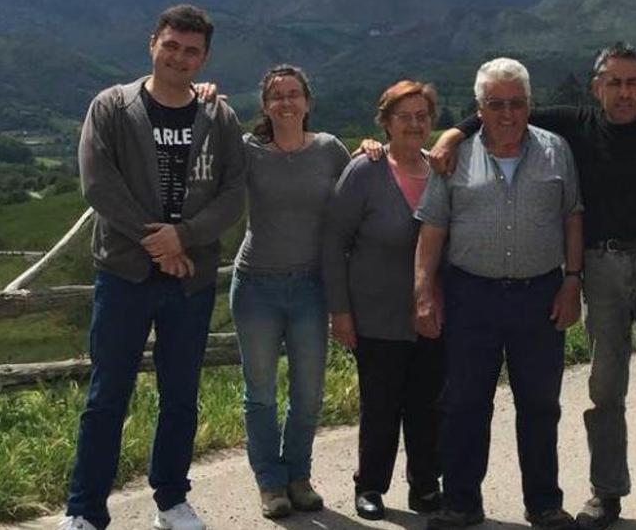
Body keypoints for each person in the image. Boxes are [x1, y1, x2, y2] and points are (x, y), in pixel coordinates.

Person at [420, 42, 636, 530]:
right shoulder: (575, 125)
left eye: (633, 83)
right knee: (603, 388)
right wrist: (455, 133)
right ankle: (605, 494)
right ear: (597, 87)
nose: (623, 92)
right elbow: (502, 109)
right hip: (600, 267)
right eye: (614, 82)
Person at [62, 4, 246, 530]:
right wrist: (160, 243)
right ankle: (85, 509)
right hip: (124, 275)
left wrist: (183, 238)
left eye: (191, 51)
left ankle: (171, 499)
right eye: (171, 46)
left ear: (204, 57)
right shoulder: (113, 107)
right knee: (107, 393)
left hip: (191, 278)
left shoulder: (218, 116)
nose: (180, 57)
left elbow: (234, 194)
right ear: (152, 45)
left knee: (180, 395)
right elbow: (98, 184)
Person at [414, 57, 583, 530]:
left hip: (540, 294)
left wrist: (573, 280)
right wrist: (423, 293)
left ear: (530, 105)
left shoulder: (557, 151)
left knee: (540, 403)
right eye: (495, 104)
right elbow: (432, 228)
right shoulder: (454, 157)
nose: (507, 114)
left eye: (516, 103)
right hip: (471, 295)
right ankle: (461, 502)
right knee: (466, 401)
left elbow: (572, 215)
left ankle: (545, 504)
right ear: (479, 107)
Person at [322, 80, 446, 522]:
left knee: (428, 404)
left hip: (435, 313)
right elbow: (334, 242)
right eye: (404, 116)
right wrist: (339, 310)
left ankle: (426, 485)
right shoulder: (365, 171)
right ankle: (371, 485)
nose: (415, 124)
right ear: (386, 123)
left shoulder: (441, 170)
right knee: (381, 405)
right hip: (377, 314)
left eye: (422, 116)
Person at [229, 64, 349, 519]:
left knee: (309, 391)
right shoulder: (248, 150)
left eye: (293, 93)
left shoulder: (329, 149)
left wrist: (375, 148)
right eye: (276, 95)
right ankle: (270, 482)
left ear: (307, 102)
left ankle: (299, 475)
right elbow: (210, 163)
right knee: (259, 391)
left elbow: (357, 188)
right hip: (256, 283)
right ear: (264, 105)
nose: (285, 102)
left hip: (310, 286)